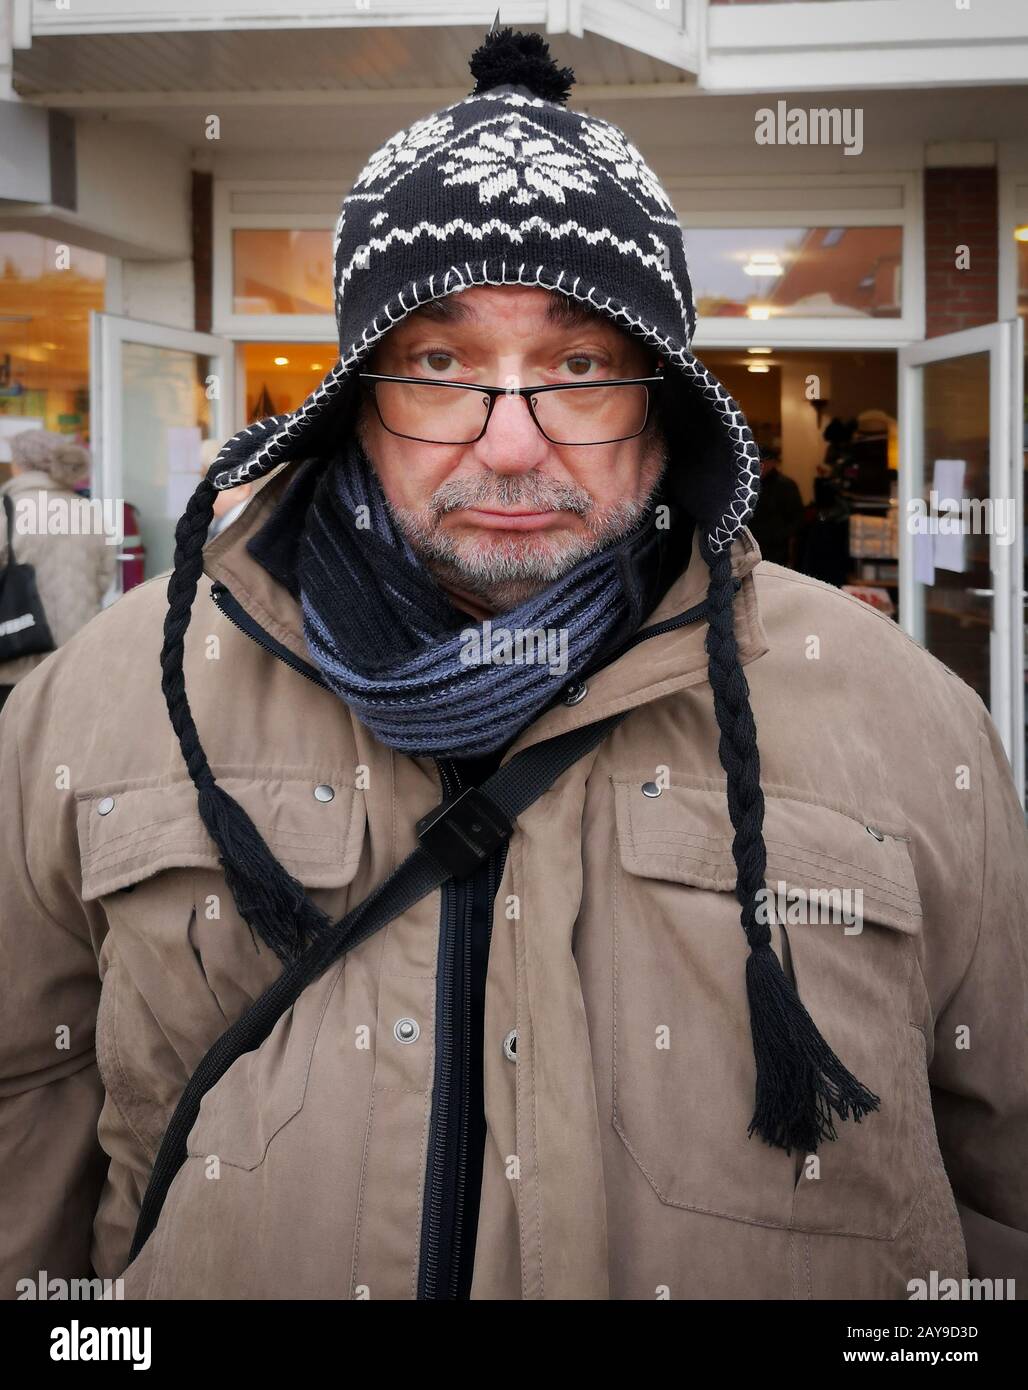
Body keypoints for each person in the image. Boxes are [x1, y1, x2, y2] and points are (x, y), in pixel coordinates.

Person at [0, 25, 1025, 1303]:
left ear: (659, 398)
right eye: (439, 364)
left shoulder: (905, 722)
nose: (508, 444)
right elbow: (27, 1106)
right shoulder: (98, 708)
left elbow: (998, 1172)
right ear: (358, 396)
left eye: (578, 366)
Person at [0, 429, 116, 715]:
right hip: (74, 654)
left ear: (20, 464)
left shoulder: (7, 509)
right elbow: (104, 575)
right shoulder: (87, 510)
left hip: (13, 652)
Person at [747, 447, 804, 568]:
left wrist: (779, 536)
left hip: (775, 549)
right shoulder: (747, 484)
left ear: (772, 463)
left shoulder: (786, 486)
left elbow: (797, 518)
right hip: (750, 546)